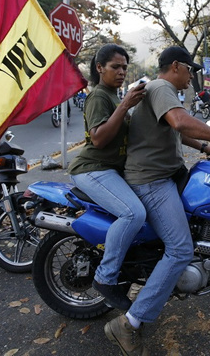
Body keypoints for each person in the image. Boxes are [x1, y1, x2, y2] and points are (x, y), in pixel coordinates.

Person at [104, 46, 210, 355]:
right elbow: (180, 122)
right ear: (176, 66)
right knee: (181, 249)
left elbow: (174, 130)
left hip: (166, 175)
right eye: (190, 70)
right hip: (152, 181)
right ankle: (129, 323)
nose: (192, 76)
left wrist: (205, 148)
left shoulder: (160, 90)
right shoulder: (161, 87)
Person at [67, 44, 148, 311]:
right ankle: (105, 277)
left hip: (111, 170)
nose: (121, 72)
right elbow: (99, 139)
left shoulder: (114, 95)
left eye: (124, 67)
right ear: (100, 68)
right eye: (115, 67)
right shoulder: (99, 96)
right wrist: (125, 106)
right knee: (133, 214)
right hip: (93, 169)